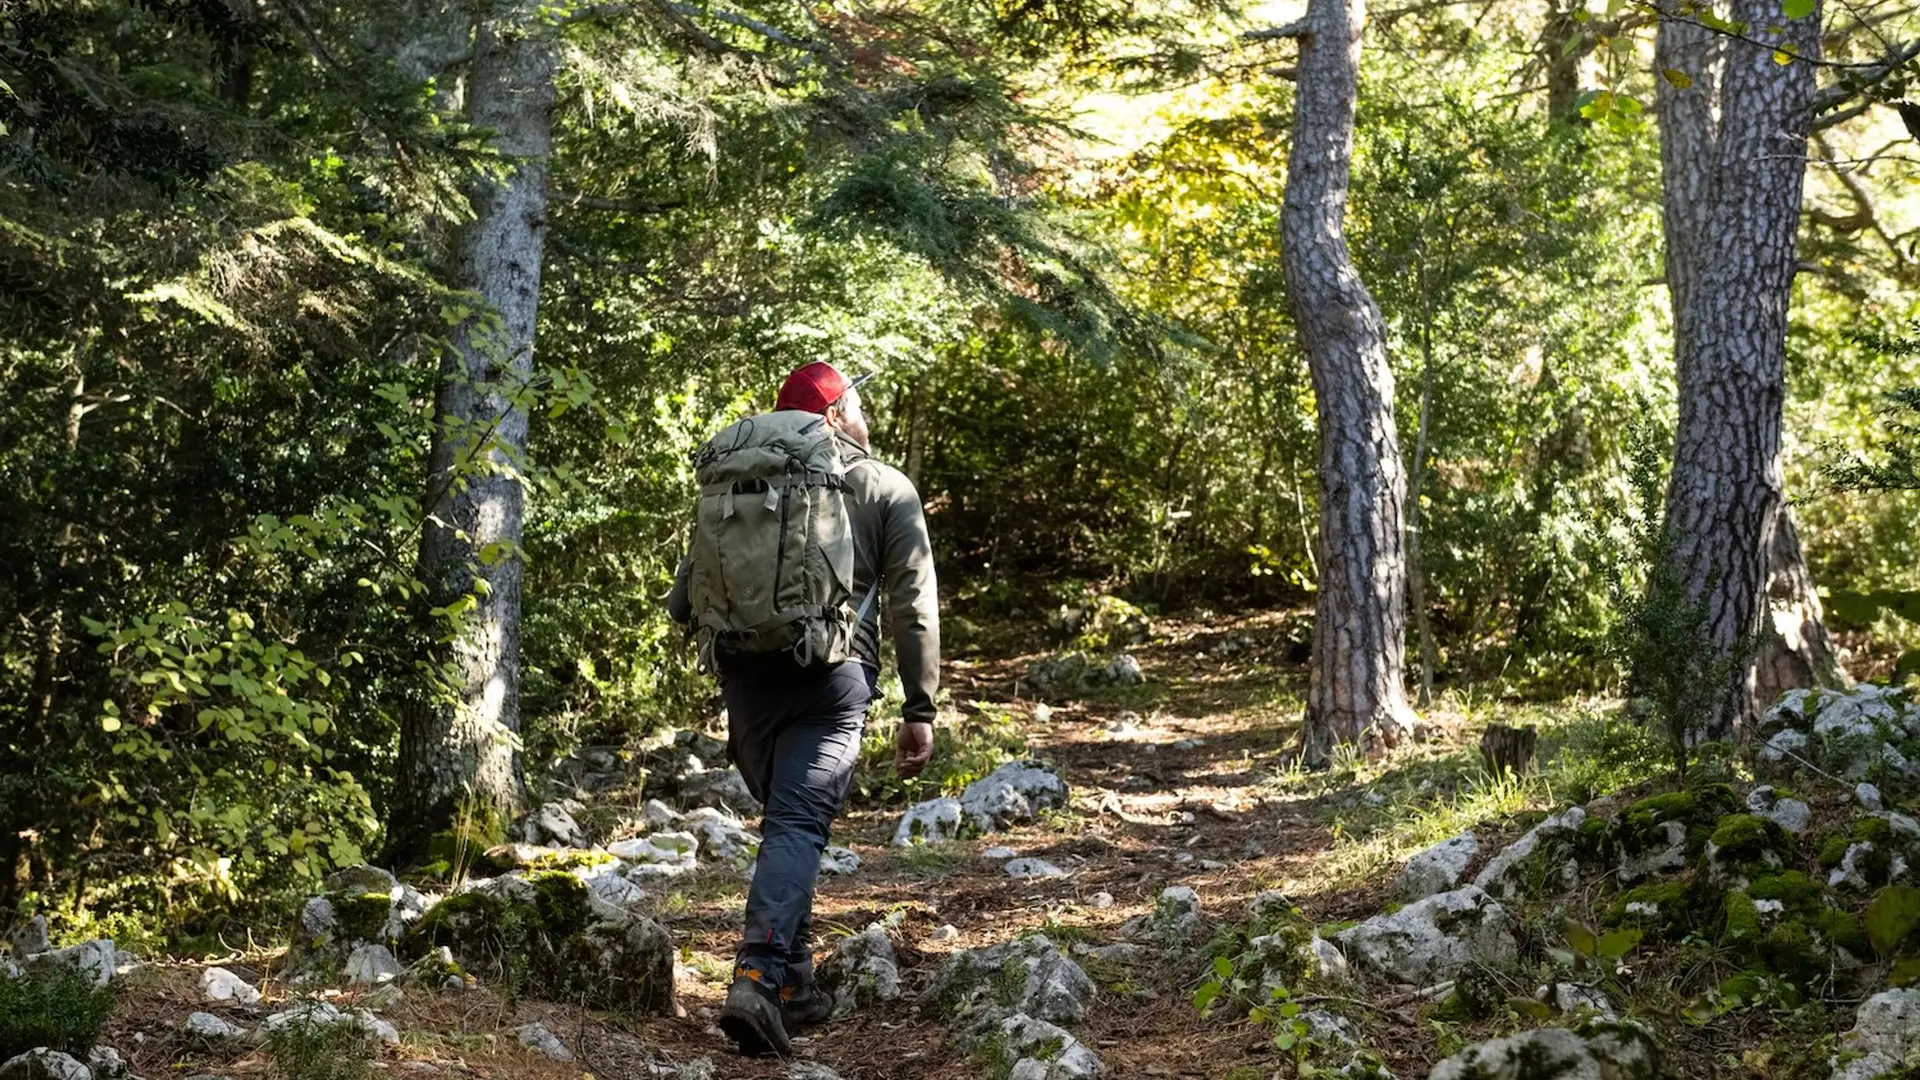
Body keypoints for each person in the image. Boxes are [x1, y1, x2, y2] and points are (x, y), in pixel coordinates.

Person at [668, 361, 941, 1056]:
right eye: (860, 409)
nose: (867, 422)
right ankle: (756, 977)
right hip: (832, 679)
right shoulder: (884, 486)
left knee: (786, 826)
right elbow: (913, 606)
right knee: (796, 826)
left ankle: (793, 984)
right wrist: (920, 707)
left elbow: (684, 594)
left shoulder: (744, 475)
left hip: (745, 677)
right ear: (838, 414)